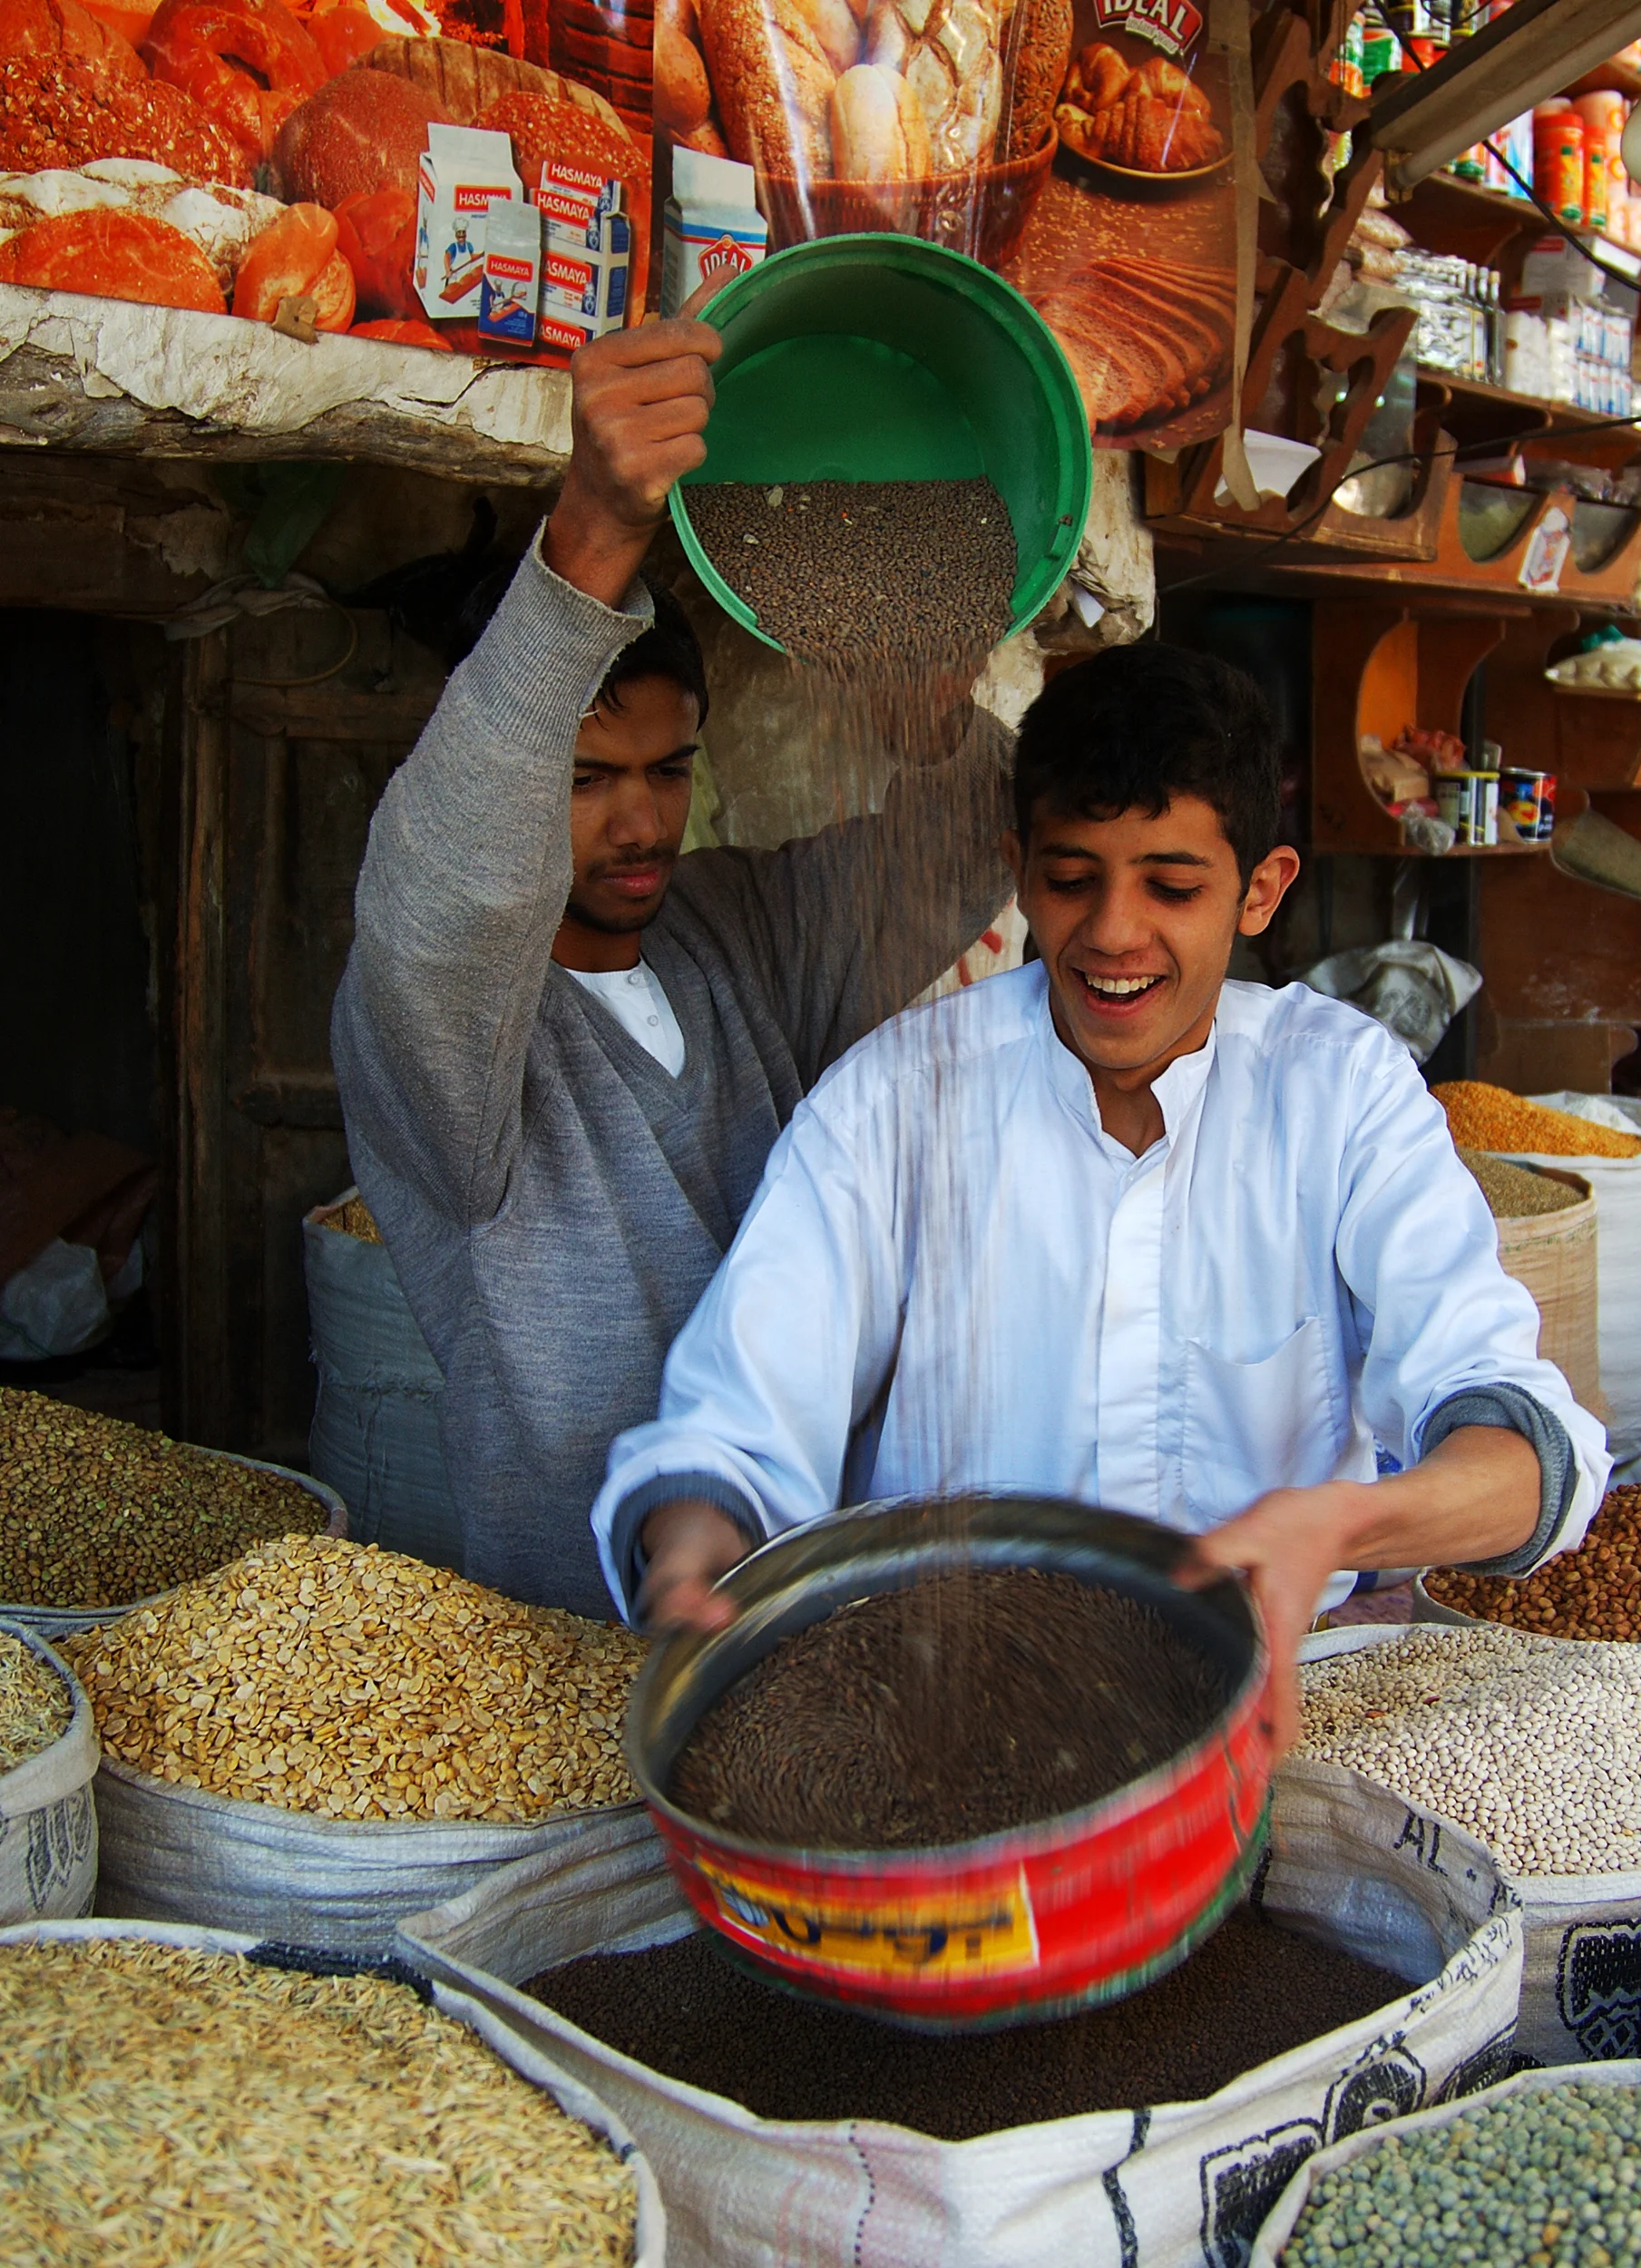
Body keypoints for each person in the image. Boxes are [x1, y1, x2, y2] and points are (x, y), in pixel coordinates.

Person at [592, 643, 1610, 1746]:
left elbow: (1520, 1437)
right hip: (937, 1709)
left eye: (1172, 886)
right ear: (1018, 869)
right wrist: (694, 1544)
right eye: (1073, 879)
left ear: (1261, 890)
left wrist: (1345, 1525)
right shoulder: (896, 1099)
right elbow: (737, 1420)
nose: (1114, 932)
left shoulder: (1341, 1092)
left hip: (1266, 1698)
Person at [330, 303, 1012, 1615]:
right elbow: (445, 892)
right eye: (586, 779)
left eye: (668, 769)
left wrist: (927, 710)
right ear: (508, 775)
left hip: (801, 1592)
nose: (641, 821)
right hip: (591, 1624)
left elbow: (968, 841)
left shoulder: (735, 930)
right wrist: (592, 532)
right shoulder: (440, 1031)